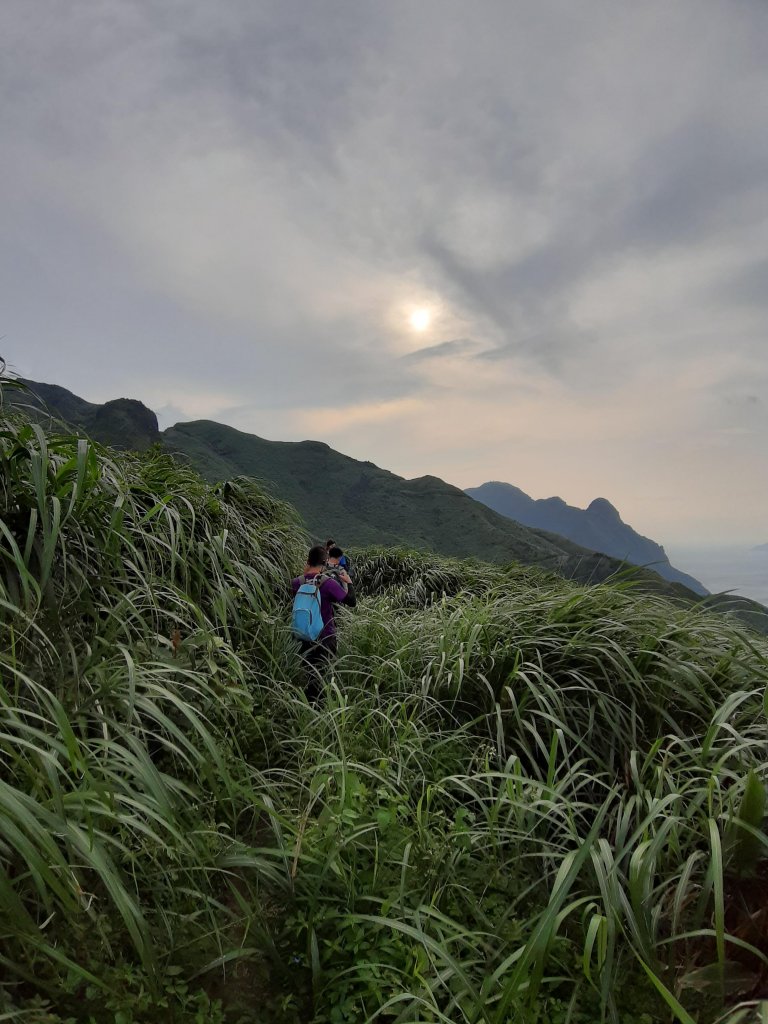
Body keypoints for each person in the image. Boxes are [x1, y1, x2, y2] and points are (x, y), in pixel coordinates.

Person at [291, 544, 356, 701]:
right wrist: (349, 582)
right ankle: (318, 707)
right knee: (322, 677)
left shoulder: (296, 582)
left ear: (308, 560)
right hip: (325, 637)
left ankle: (307, 703)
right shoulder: (328, 584)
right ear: (325, 562)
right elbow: (351, 602)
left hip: (303, 636)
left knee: (310, 674)